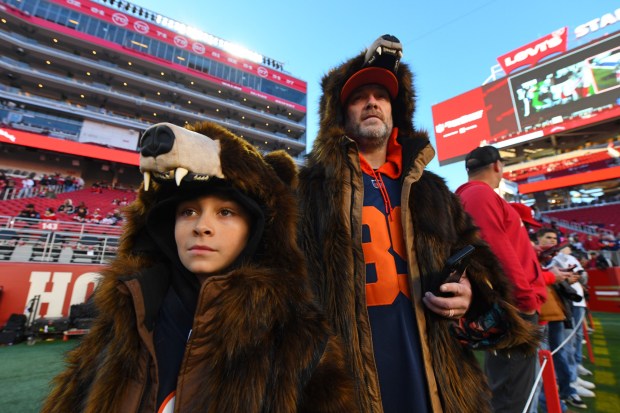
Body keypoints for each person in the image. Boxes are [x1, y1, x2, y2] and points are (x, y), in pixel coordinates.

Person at [41, 122, 355, 413]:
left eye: (226, 212)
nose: (202, 227)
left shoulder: (300, 337)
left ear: (256, 230)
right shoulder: (127, 315)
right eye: (188, 211)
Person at [297, 34, 539, 413]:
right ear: (339, 115)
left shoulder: (434, 193)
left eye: (381, 95)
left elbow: (483, 276)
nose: (372, 101)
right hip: (342, 389)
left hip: (436, 380)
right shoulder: (304, 192)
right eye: (359, 96)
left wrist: (471, 296)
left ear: (397, 111)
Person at [456, 147, 548, 413]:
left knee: (515, 393)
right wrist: (526, 302)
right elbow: (498, 255)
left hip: (510, 306)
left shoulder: (475, 195)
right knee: (512, 400)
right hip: (513, 310)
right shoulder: (479, 194)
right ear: (497, 166)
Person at [536, 228, 590, 409]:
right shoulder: (532, 254)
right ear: (538, 239)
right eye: (547, 237)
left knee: (562, 350)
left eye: (554, 238)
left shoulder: (557, 258)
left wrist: (566, 278)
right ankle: (555, 398)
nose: (551, 241)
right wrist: (555, 277)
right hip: (541, 312)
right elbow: (530, 279)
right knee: (547, 355)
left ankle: (568, 388)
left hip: (558, 310)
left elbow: (583, 279)